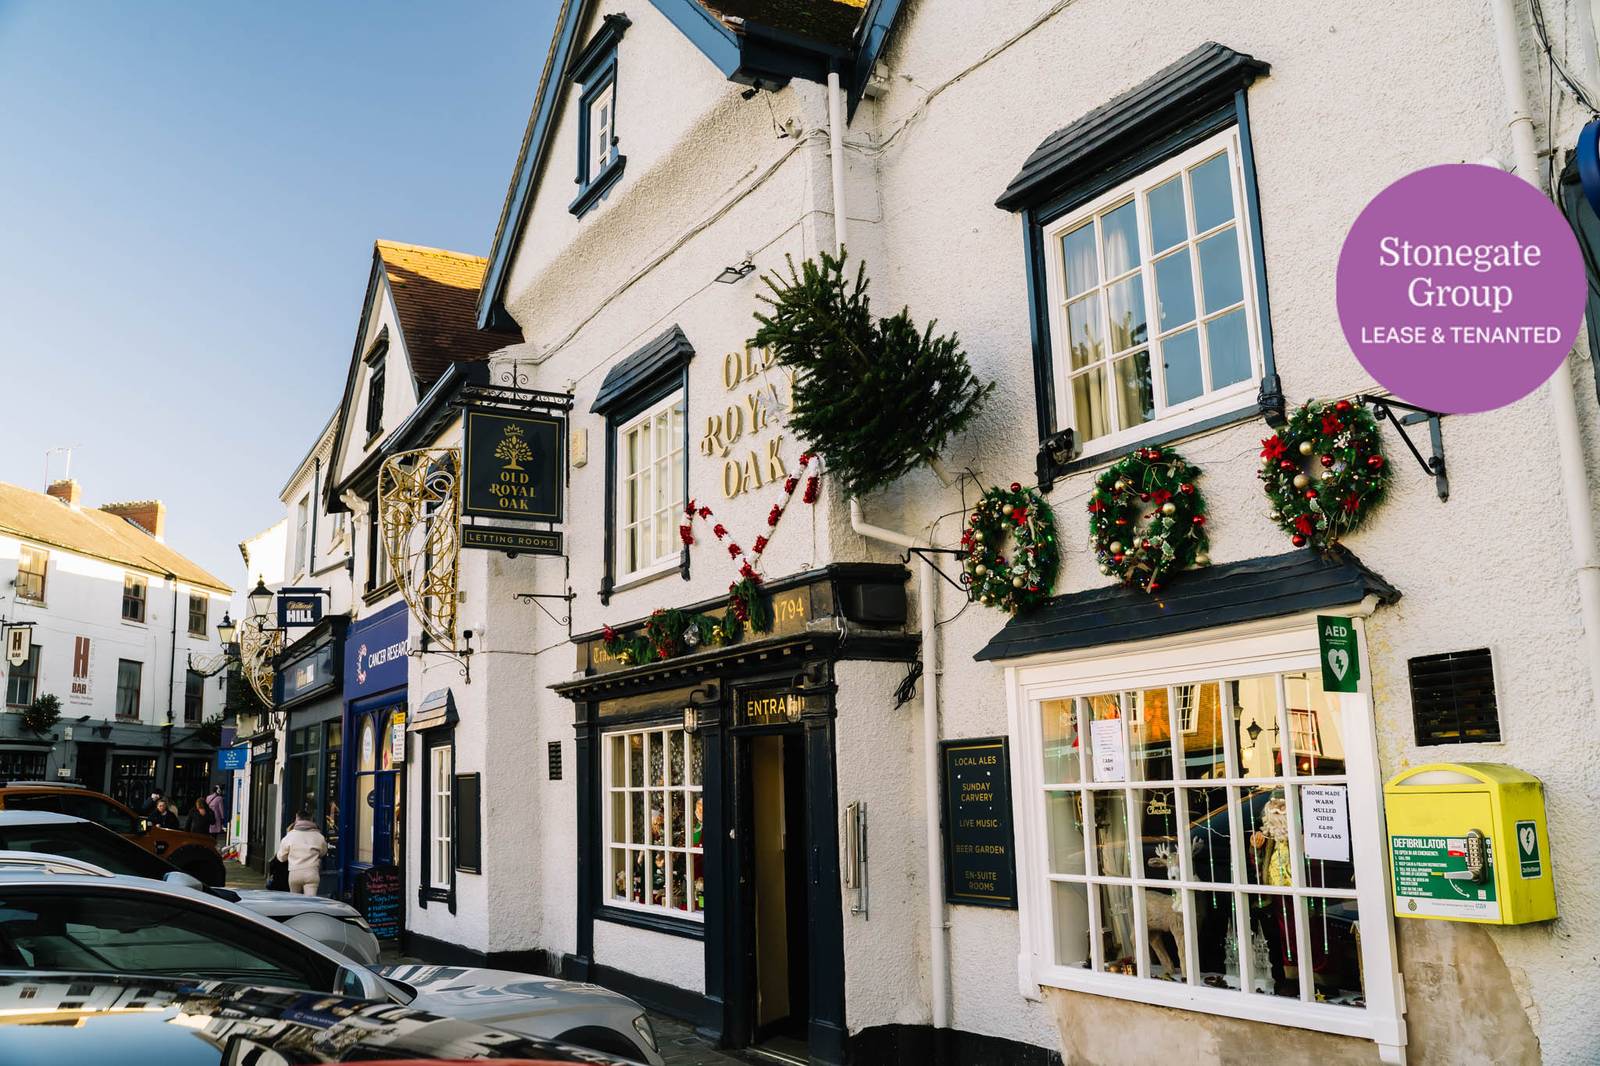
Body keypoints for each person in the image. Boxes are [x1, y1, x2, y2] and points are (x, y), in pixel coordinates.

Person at [275, 809, 328, 896]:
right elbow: (323, 852)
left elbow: (281, 858)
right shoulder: (319, 836)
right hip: (311, 872)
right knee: (311, 901)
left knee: (295, 902)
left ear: (297, 819)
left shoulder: (290, 836)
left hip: (294, 872)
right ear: (311, 819)